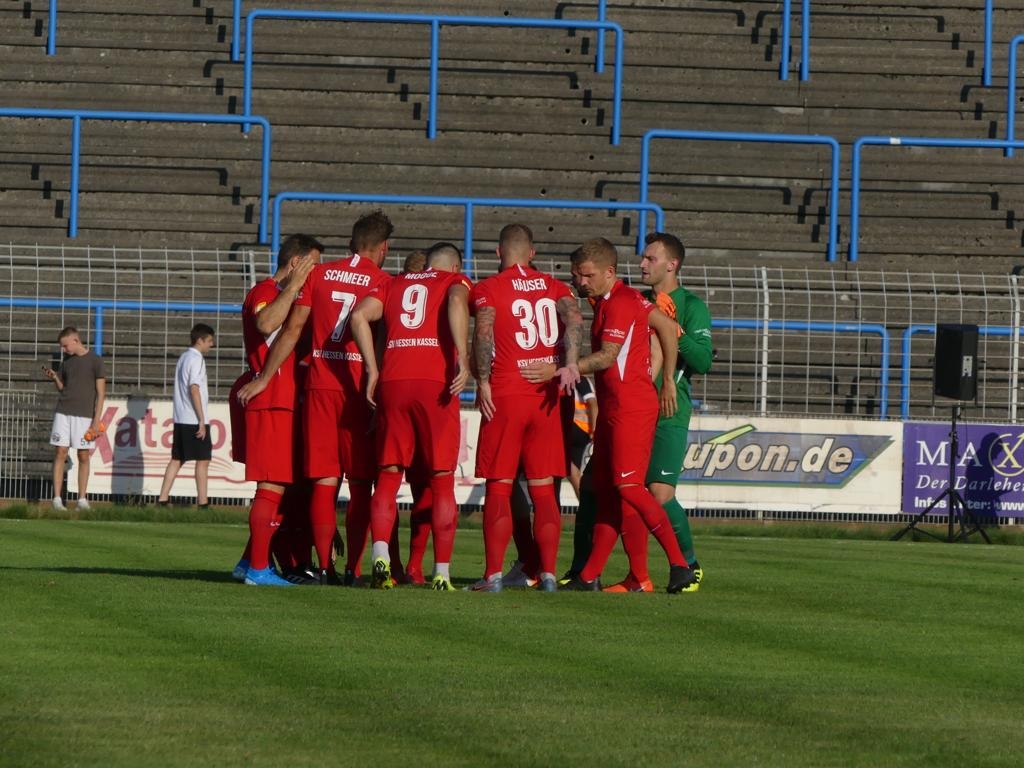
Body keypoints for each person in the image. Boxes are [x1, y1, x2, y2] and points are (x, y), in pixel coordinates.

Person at [238, 211, 394, 585]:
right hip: (358, 386)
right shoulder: (384, 281)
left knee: (323, 483)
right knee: (358, 485)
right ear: (383, 247)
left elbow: (292, 329)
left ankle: (322, 567)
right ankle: (352, 569)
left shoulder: (322, 275)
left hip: (319, 386)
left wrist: (263, 376)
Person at [554, 238, 697, 594]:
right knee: (608, 491)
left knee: (630, 487)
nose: (580, 281)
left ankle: (680, 566)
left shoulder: (619, 303)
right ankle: (609, 576)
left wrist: (569, 367)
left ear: (609, 273)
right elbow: (664, 327)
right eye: (576, 275)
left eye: (587, 275)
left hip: (632, 408)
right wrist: (663, 379)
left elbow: (607, 356)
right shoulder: (617, 299)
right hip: (615, 407)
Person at [350, 241, 472, 591]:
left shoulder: (392, 283)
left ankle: (381, 557)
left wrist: (372, 370)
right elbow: (454, 303)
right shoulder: (454, 282)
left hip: (393, 381)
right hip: (435, 383)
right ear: (453, 266)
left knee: (388, 475)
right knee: (441, 478)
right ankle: (442, 574)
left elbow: (359, 316)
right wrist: (462, 357)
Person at [469, 223, 583, 593]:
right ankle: (547, 574)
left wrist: (482, 380)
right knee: (544, 489)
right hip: (548, 396)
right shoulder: (557, 287)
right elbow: (575, 323)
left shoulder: (487, 289)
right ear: (532, 253)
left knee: (499, 486)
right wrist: (568, 364)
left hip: (507, 392)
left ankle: (494, 575)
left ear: (499, 253)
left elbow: (484, 334)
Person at [616, 231, 713, 592]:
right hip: (632, 407)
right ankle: (601, 572)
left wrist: (676, 328)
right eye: (642, 258)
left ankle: (689, 564)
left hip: (669, 410)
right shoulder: (637, 301)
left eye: (650, 259)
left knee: (658, 492)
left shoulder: (691, 304)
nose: (642, 264)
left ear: (672, 265)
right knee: (620, 490)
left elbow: (703, 360)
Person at [233, 234, 320, 587]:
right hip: (271, 400)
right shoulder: (264, 291)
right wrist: (296, 284)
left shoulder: (289, 296)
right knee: (270, 486)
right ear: (296, 262)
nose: (318, 271)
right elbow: (266, 324)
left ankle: (246, 562)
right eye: (313, 263)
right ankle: (257, 570)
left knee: (281, 486)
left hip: (285, 399)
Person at [43, 326, 106, 510]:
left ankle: (82, 500)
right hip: (63, 411)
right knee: (60, 453)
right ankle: (56, 499)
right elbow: (63, 388)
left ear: (75, 340)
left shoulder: (95, 360)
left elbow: (101, 393)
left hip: (84, 416)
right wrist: (55, 377)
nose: (64, 350)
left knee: (83, 455)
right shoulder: (67, 362)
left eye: (65, 346)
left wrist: (96, 420)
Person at [158, 323, 216, 507]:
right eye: (209, 341)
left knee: (177, 458)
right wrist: (201, 420)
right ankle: (203, 503)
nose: (211, 345)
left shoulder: (184, 357)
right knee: (203, 460)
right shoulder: (196, 359)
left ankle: (162, 499)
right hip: (193, 418)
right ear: (200, 340)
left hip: (181, 417)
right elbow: (194, 389)